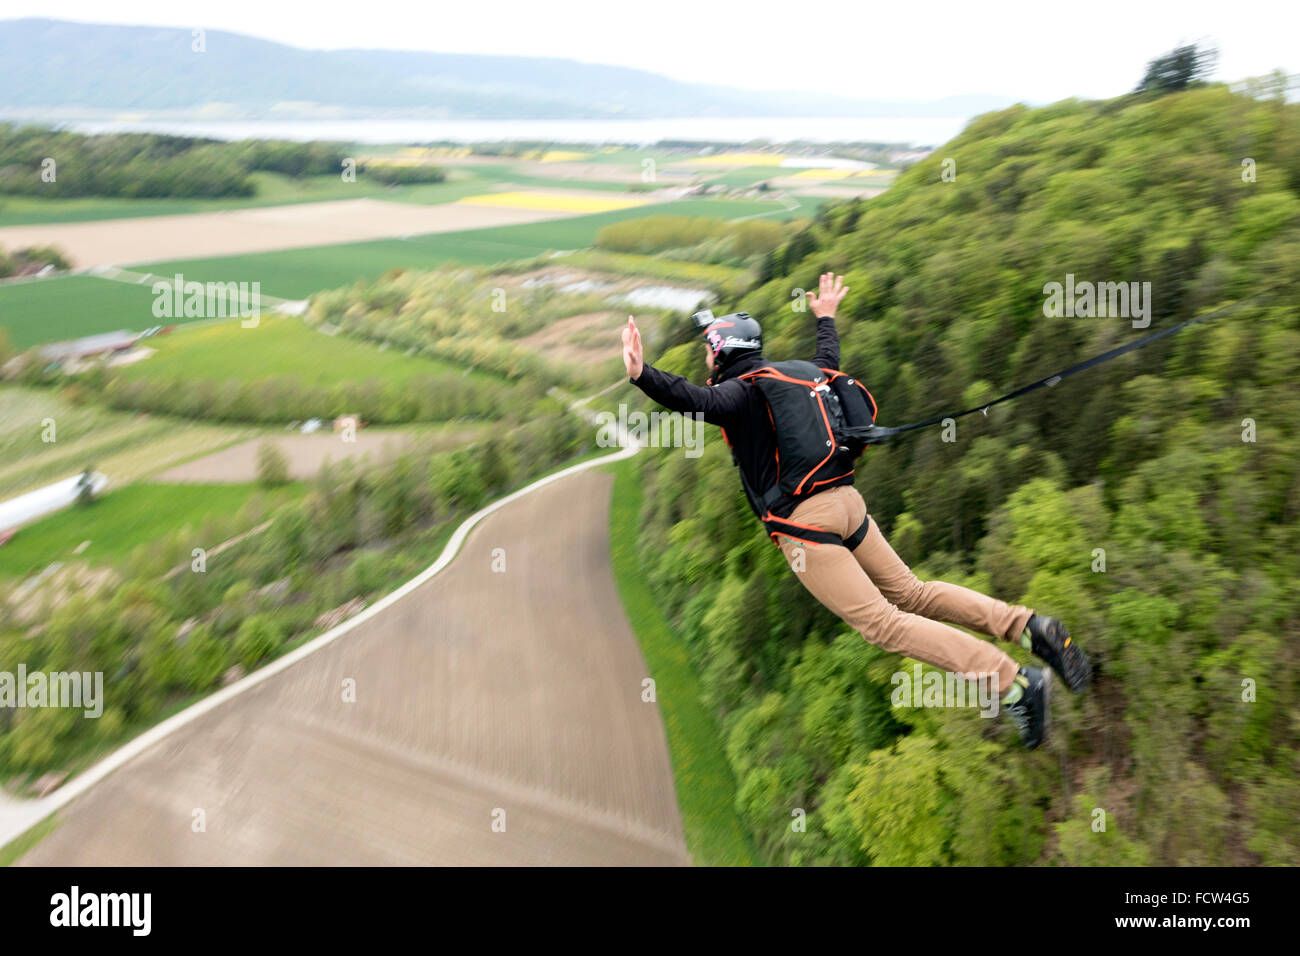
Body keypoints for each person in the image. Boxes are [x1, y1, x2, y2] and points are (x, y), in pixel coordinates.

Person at [621, 273, 1092, 748]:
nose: (706, 359)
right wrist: (825, 319)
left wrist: (644, 375)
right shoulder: (803, 373)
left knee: (883, 625)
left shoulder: (739, 393)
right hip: (848, 505)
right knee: (914, 594)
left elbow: (693, 399)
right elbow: (830, 360)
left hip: (806, 527)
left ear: (722, 353)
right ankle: (1030, 627)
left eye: (708, 350)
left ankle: (1013, 684)